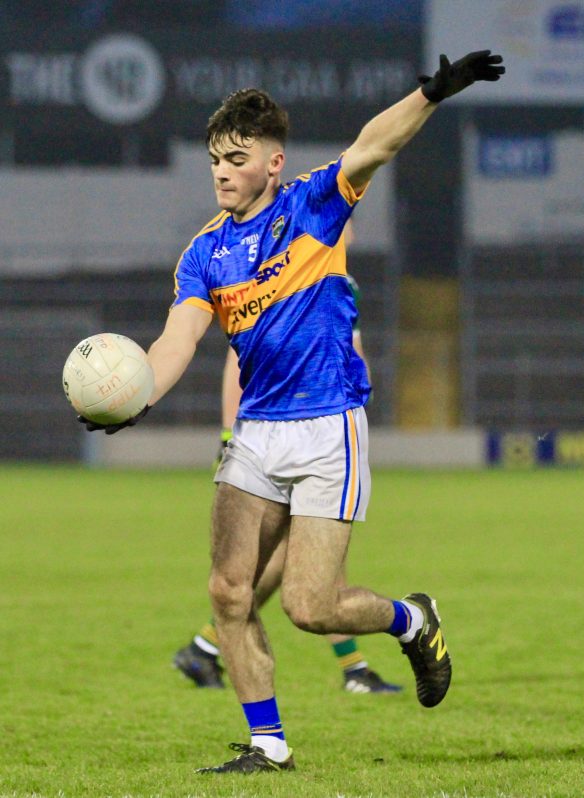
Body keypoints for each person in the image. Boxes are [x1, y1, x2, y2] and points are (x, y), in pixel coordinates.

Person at [80, 50, 505, 773]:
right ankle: (269, 747)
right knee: (227, 589)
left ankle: (412, 620)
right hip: (256, 433)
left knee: (311, 606)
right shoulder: (205, 254)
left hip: (329, 423)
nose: (221, 171)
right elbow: (179, 336)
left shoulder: (313, 204)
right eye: (215, 158)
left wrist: (433, 92)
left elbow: (377, 144)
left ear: (272, 164)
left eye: (237, 158)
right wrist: (140, 391)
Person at [173, 271, 402, 695]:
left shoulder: (340, 278)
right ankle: (355, 667)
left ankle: (206, 648)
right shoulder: (287, 271)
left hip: (326, 430)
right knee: (302, 565)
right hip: (280, 437)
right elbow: (238, 362)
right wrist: (229, 436)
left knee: (291, 563)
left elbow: (350, 350)